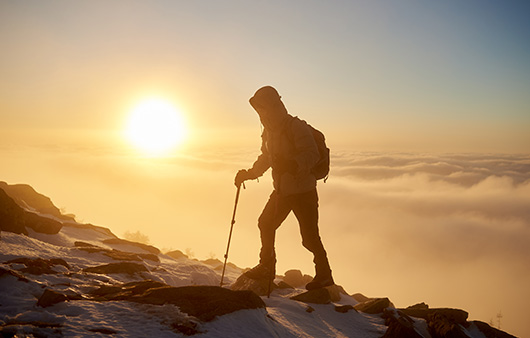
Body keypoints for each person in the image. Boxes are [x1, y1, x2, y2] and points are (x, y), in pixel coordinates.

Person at [234, 85, 334, 290]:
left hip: (304, 191)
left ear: (272, 105)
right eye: (258, 108)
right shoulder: (269, 132)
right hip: (283, 191)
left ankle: (325, 275)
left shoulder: (295, 127)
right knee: (265, 223)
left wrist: (292, 164)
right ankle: (267, 267)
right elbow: (266, 158)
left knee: (309, 238)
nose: (260, 112)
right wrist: (249, 174)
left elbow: (312, 154)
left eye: (262, 107)